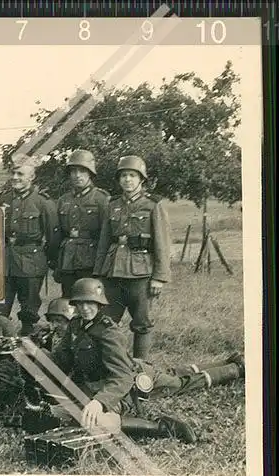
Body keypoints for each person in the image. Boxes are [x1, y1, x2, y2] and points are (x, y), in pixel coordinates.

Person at [23, 278, 201, 442]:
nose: (85, 308)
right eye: (81, 303)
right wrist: (35, 352)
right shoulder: (76, 326)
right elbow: (61, 361)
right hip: (90, 388)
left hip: (125, 385)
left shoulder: (109, 332)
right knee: (57, 415)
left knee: (181, 383)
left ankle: (163, 427)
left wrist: (100, 402)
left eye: (90, 302)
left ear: (100, 304)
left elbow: (123, 377)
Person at [93, 155, 172, 359]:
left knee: (142, 323)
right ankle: (112, 365)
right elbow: (104, 240)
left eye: (132, 175)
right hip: (113, 272)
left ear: (141, 179)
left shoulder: (153, 205)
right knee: (106, 322)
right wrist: (98, 272)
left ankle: (141, 369)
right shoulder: (112, 204)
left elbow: (162, 243)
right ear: (119, 180)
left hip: (141, 272)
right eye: (123, 176)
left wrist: (159, 277)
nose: (127, 180)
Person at [0, 156, 60, 336]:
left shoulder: (43, 202)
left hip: (31, 263)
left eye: (20, 174)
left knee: (29, 313)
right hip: (6, 263)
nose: (15, 177)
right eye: (13, 173)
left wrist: (46, 259)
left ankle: (27, 355)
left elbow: (53, 237)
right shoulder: (4, 199)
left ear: (32, 177)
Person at [53, 150, 110, 298]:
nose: (77, 175)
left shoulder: (101, 199)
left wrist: (102, 265)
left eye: (82, 171)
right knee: (68, 301)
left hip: (91, 260)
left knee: (89, 299)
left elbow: (107, 233)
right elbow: (57, 233)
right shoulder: (63, 200)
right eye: (73, 171)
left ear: (90, 173)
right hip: (67, 259)